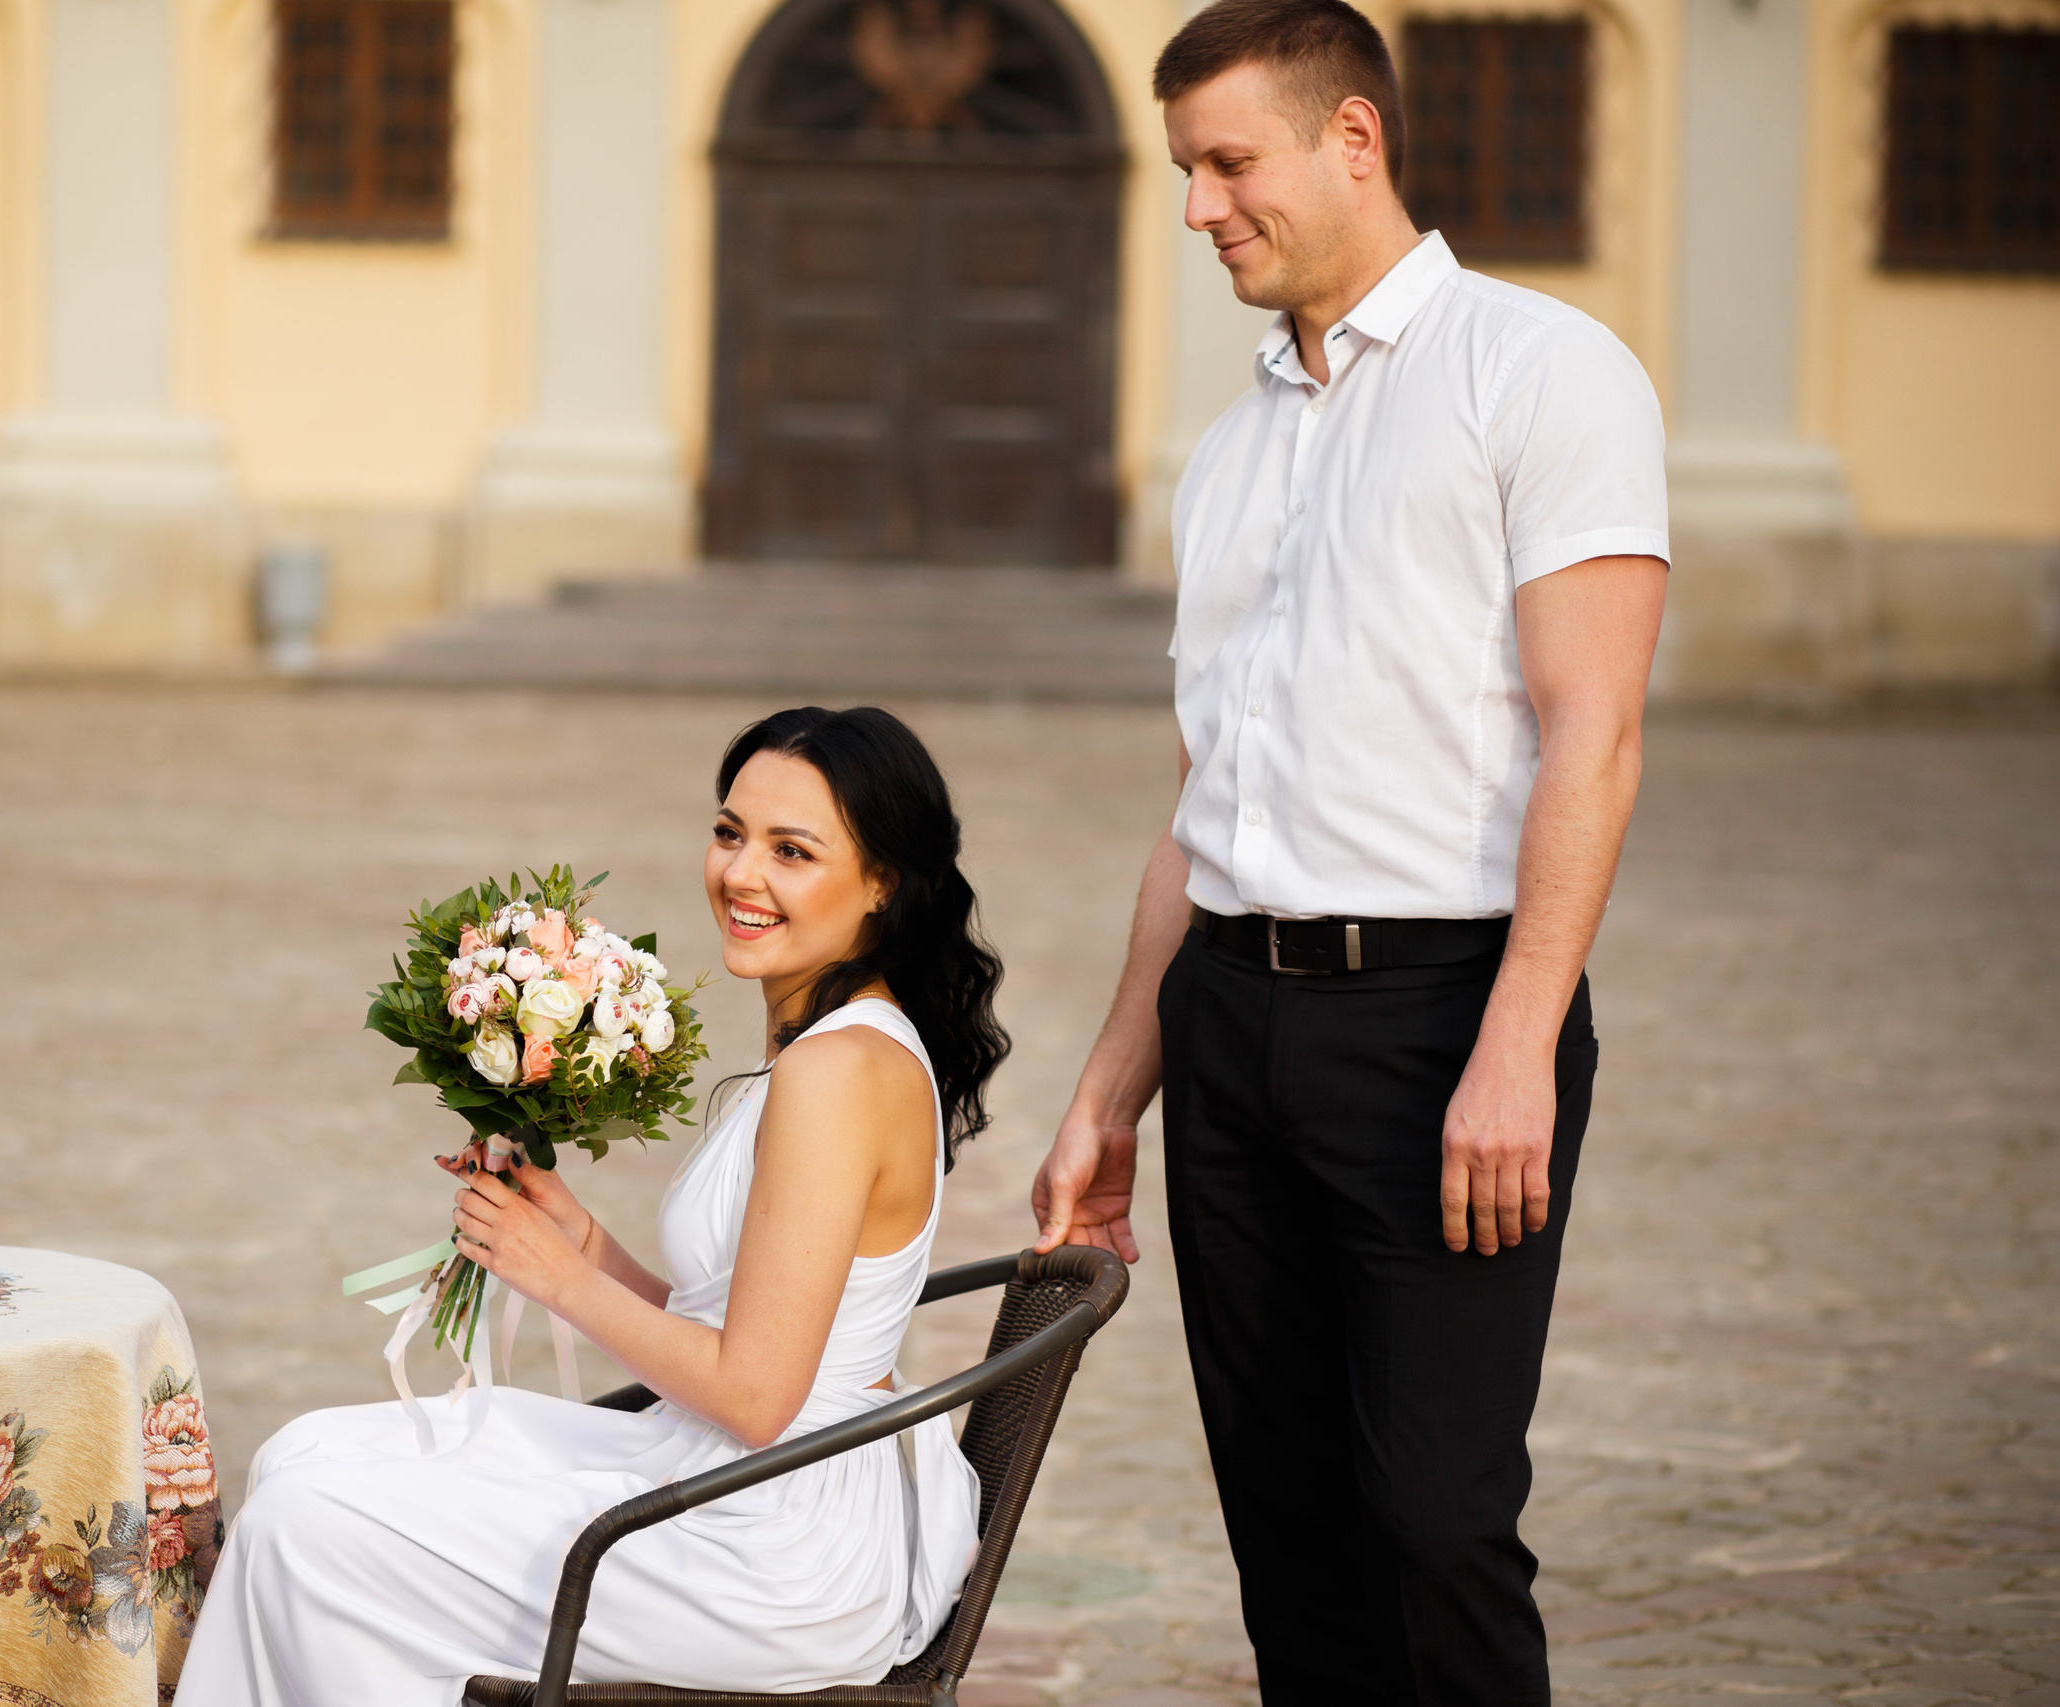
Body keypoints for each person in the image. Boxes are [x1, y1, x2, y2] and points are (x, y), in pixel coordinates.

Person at [1027, 2, 1669, 1703]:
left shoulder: (1541, 373)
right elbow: (1204, 797)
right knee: (1288, 1520)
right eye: (1183, 170)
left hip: (1443, 1020)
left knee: (1438, 1516)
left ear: (1355, 140)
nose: (1198, 208)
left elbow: (1593, 737)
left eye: (1230, 161)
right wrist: (1114, 1086)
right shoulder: (1227, 455)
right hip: (1232, 1020)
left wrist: (1519, 1036)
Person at [178, 706, 1008, 1706]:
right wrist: (584, 1240)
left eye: (792, 851)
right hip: (742, 1472)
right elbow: (742, 1328)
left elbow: (755, 1395)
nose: (742, 875)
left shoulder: (837, 1073)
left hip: (778, 1542)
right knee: (301, 1454)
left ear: (883, 884)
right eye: (729, 832)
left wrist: (560, 1280)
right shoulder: (831, 1045)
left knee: (306, 1523)